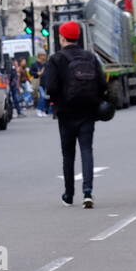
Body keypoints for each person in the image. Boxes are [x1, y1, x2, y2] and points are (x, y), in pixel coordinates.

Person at [42, 21, 106, 208]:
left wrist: (55, 101)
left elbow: (51, 86)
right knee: (87, 150)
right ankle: (88, 192)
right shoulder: (90, 57)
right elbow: (102, 83)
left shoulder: (56, 59)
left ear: (62, 37)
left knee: (68, 154)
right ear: (78, 36)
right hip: (88, 111)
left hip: (65, 112)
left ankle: (69, 194)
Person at [30, 51, 50, 115]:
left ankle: (43, 110)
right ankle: (39, 109)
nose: (45, 57)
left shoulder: (45, 64)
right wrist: (37, 73)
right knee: (42, 96)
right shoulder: (34, 64)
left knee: (45, 97)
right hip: (38, 82)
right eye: (44, 55)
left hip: (45, 82)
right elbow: (31, 72)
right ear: (40, 56)